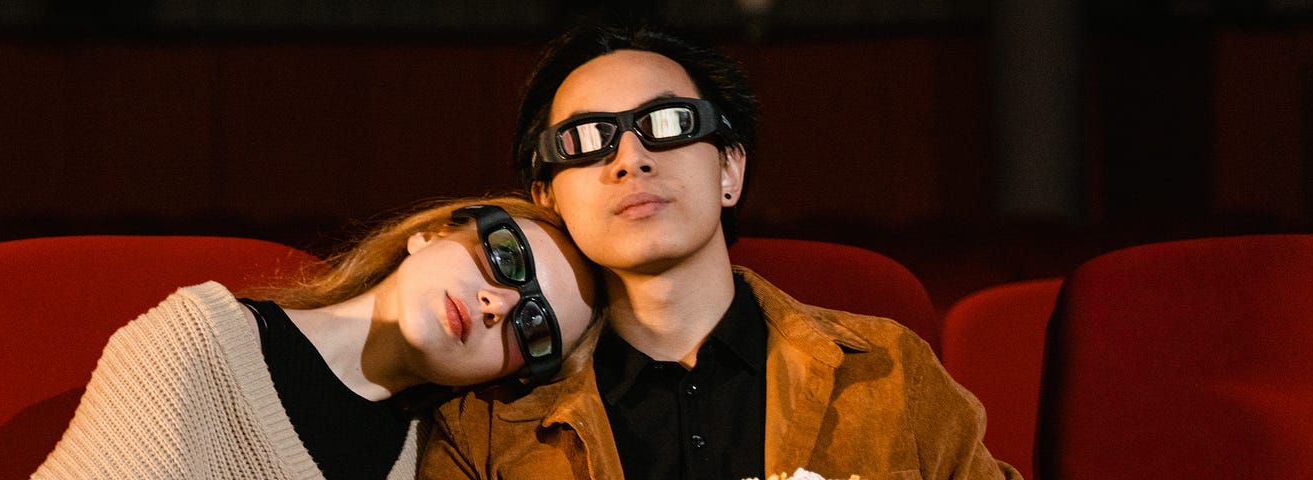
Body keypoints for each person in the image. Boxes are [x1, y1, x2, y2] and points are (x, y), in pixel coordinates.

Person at [419, 20, 1023, 480]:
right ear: (547, 199)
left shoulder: (891, 371)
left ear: (730, 169)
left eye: (669, 123)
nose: (630, 159)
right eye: (585, 139)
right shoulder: (489, 425)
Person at [32, 196, 600, 480]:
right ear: (430, 235)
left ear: (509, 378)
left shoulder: (435, 462)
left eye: (534, 328)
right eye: (506, 257)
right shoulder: (198, 340)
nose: (497, 304)